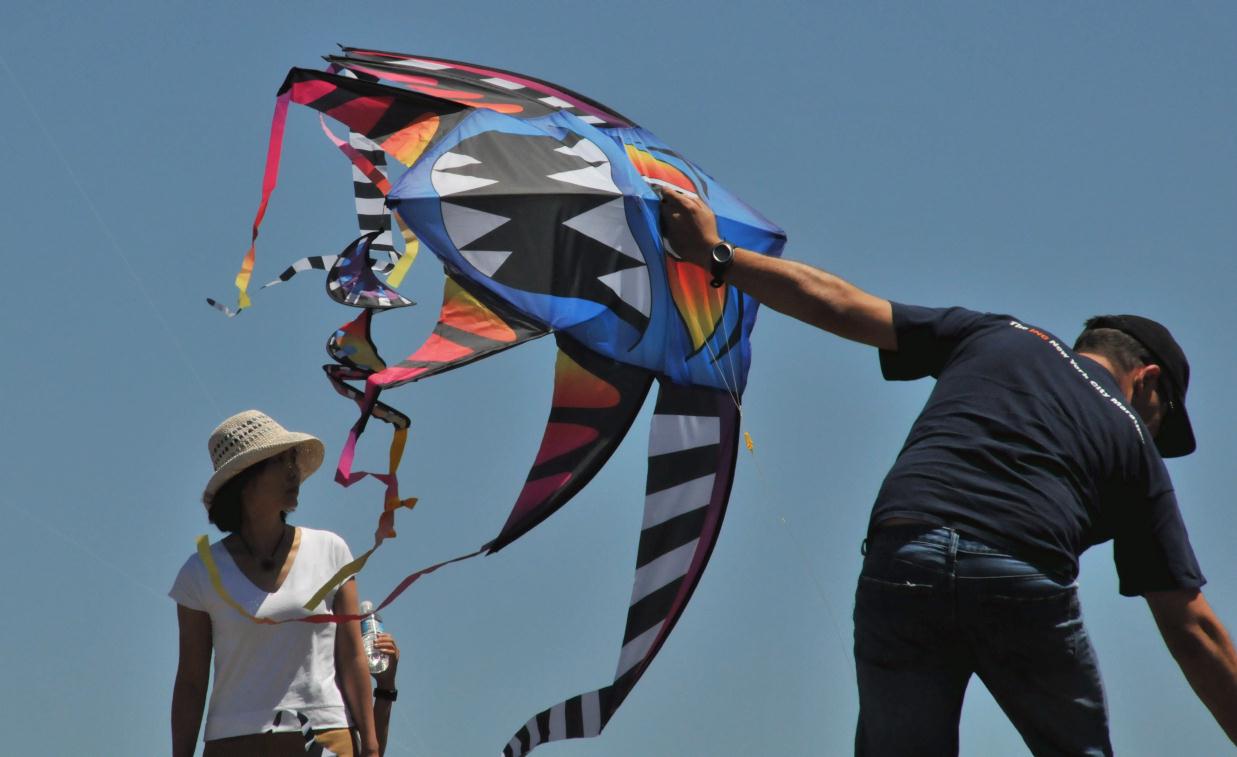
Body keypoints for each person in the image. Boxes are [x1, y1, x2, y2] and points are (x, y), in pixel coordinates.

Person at [658, 188, 1237, 755]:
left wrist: (717, 254)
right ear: (1149, 381)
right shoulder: (1132, 437)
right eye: (1163, 423)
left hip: (904, 553)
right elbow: (1194, 631)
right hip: (1020, 571)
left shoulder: (997, 335)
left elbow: (836, 301)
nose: (1155, 437)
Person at [170, 410, 381, 757]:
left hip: (326, 739)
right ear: (245, 478)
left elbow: (353, 656)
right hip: (233, 744)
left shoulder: (332, 550)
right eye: (279, 462)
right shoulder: (199, 573)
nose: (293, 472)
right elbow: (191, 682)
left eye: (293, 461)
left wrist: (371, 748)